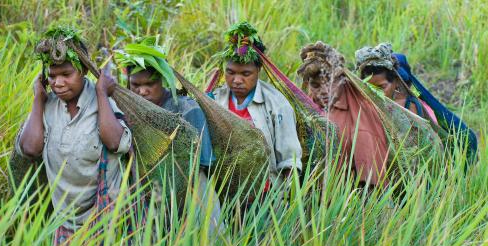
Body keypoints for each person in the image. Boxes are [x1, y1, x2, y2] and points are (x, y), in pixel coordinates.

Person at [15, 27, 132, 246]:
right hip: (65, 226)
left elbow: (116, 143)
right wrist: (38, 99)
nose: (57, 83)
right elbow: (29, 148)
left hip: (107, 221)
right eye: (52, 76)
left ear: (84, 71)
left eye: (66, 75)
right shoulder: (47, 107)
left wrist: (101, 95)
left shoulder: (102, 103)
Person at [116, 41, 222, 234]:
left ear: (163, 80)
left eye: (150, 84)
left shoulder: (187, 109)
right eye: (136, 85)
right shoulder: (125, 111)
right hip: (146, 194)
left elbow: (202, 164)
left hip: (191, 191)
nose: (142, 91)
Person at [209, 22, 302, 186]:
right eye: (230, 72)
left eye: (246, 74)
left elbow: (290, 160)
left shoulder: (277, 104)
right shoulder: (215, 99)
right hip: (224, 191)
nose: (237, 80)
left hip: (265, 194)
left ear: (258, 71)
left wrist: (289, 198)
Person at [356, 43, 477, 161]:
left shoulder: (410, 107)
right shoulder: (365, 103)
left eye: (381, 87)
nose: (375, 93)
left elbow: (421, 148)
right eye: (370, 87)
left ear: (396, 82)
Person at [298, 41, 389, 186]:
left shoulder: (361, 112)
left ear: (342, 80)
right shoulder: (304, 107)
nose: (323, 91)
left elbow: (370, 172)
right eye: (315, 85)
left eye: (329, 82)